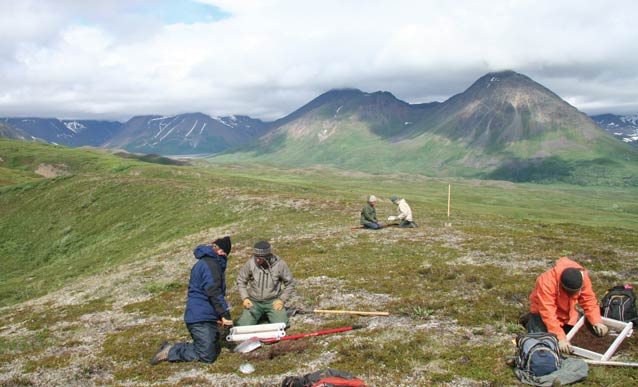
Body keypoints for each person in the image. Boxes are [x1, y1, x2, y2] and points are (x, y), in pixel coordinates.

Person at [150, 236, 233, 365]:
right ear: (221, 252)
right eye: (225, 254)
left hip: (203, 314)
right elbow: (214, 291)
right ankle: (171, 351)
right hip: (200, 317)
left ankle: (200, 342)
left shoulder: (207, 263)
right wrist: (224, 314)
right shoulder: (211, 264)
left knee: (215, 347)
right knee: (207, 356)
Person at [526, 257, 608, 354]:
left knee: (586, 328)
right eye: (570, 292)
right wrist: (560, 338)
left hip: (567, 313)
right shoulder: (546, 282)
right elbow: (548, 312)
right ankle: (529, 321)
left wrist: (597, 321)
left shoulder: (582, 277)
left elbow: (588, 300)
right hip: (542, 313)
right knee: (545, 341)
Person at [235, 241, 295, 327]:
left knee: (282, 325)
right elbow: (241, 280)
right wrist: (245, 298)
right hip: (254, 302)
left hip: (273, 302)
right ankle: (261, 314)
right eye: (256, 257)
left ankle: (273, 314)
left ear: (267, 256)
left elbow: (290, 283)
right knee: (242, 326)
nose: (257, 260)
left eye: (260, 258)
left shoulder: (280, 264)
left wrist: (281, 300)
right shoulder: (250, 263)